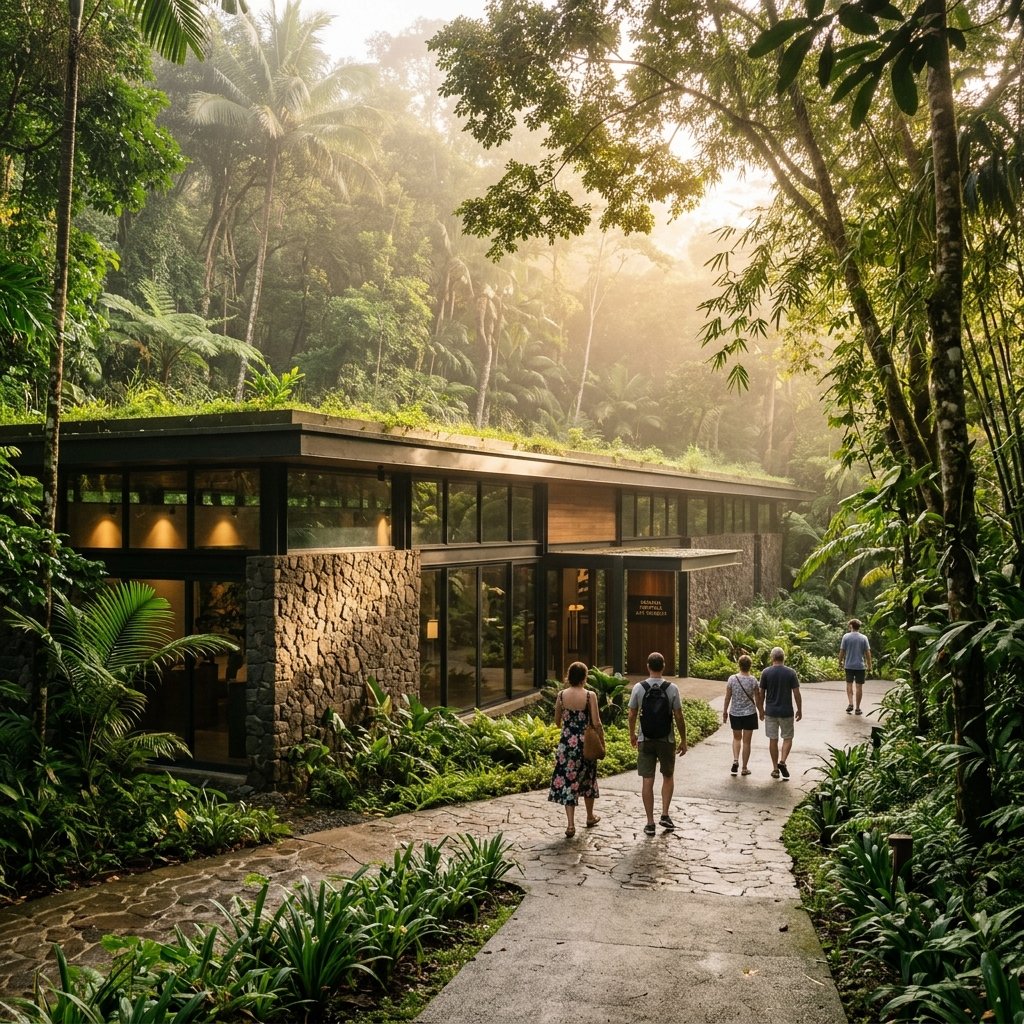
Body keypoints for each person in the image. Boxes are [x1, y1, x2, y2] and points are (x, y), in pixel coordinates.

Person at [628, 651, 688, 835]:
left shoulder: (639, 687)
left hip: (645, 738)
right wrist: (683, 739)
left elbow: (632, 714)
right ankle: (665, 814)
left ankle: (650, 822)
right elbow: (678, 716)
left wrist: (632, 734)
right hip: (666, 739)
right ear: (663, 667)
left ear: (648, 666)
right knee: (668, 776)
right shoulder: (672, 688)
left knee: (647, 780)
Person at [547, 661, 602, 837]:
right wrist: (601, 739)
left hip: (566, 744)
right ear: (585, 677)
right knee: (588, 779)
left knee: (568, 781)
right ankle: (590, 816)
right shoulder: (590, 696)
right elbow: (596, 722)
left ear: (569, 676)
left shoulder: (561, 695)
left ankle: (570, 825)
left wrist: (568, 725)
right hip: (585, 744)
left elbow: (557, 721)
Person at [755, 646, 802, 780]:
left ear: (772, 658)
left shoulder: (766, 672)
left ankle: (775, 769)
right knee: (788, 738)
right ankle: (782, 761)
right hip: (786, 711)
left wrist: (761, 710)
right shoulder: (791, 673)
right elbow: (796, 693)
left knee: (773, 739)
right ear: (783, 658)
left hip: (771, 712)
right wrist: (799, 709)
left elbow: (761, 694)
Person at [723, 654, 758, 776]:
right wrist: (761, 711)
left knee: (737, 738)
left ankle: (735, 760)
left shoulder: (732, 679)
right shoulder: (753, 680)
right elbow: (758, 698)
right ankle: (744, 768)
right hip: (750, 714)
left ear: (739, 665)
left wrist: (725, 711)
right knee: (747, 742)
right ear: (750, 666)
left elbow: (727, 697)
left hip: (735, 713)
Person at [839, 618, 872, 715]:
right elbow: (867, 653)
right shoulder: (864, 638)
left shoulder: (846, 637)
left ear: (851, 626)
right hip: (860, 666)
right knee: (859, 687)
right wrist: (869, 665)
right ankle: (857, 708)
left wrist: (839, 662)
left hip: (849, 665)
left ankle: (850, 703)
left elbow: (842, 651)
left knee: (849, 684)